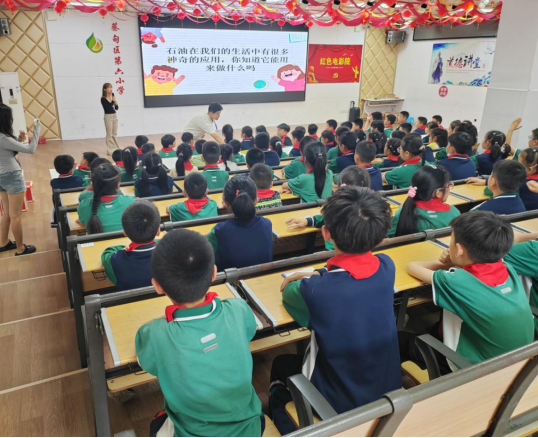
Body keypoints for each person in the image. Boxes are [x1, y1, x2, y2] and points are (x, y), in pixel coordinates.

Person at [272, 187, 402, 435]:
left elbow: (289, 292)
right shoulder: (387, 266)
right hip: (386, 394)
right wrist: (319, 272)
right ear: (379, 236)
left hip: (336, 404)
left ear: (326, 233)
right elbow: (349, 275)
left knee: (280, 365)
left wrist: (313, 275)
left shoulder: (315, 292)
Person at [136, 230, 264, 437]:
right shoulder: (238, 308)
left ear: (157, 286)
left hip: (190, 432)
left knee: (158, 423)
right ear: (213, 273)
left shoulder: (155, 333)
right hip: (250, 428)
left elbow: (145, 363)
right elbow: (248, 332)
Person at [404, 212, 534, 373]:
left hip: (474, 371)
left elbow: (413, 267)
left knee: (401, 340)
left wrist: (446, 263)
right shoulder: (508, 268)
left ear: (459, 249)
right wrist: (458, 260)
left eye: (451, 241)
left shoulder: (457, 281)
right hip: (519, 365)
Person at [0, 103, 41, 256]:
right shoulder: (3, 137)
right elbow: (31, 149)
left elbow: (6, 152)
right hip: (11, 177)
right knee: (15, 215)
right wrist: (37, 129)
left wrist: (18, 140)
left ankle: (3, 243)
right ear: (4, 119)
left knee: (7, 213)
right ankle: (20, 248)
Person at [207, 177, 273, 271]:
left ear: (225, 202)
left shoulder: (219, 231)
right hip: (265, 277)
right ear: (256, 200)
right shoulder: (267, 224)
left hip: (231, 280)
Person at [101, 201, 160, 291]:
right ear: (158, 231)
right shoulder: (171, 251)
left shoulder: (115, 260)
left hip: (129, 300)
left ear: (124, 232)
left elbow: (106, 254)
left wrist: (123, 248)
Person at [389, 165, 460, 237]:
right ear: (438, 193)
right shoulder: (454, 213)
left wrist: (402, 209)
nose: (449, 189)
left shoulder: (402, 213)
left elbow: (390, 237)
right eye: (448, 186)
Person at [78, 164, 135, 234]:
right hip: (125, 240)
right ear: (118, 185)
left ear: (93, 185)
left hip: (96, 241)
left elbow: (81, 222)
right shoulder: (130, 201)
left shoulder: (84, 205)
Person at [101, 83, 120, 155]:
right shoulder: (103, 99)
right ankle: (110, 150)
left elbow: (116, 108)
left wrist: (116, 103)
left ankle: (116, 148)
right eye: (108, 88)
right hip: (108, 117)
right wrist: (112, 101)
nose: (110, 89)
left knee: (114, 134)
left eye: (111, 87)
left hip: (114, 116)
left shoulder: (113, 97)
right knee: (109, 134)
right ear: (105, 89)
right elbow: (108, 108)